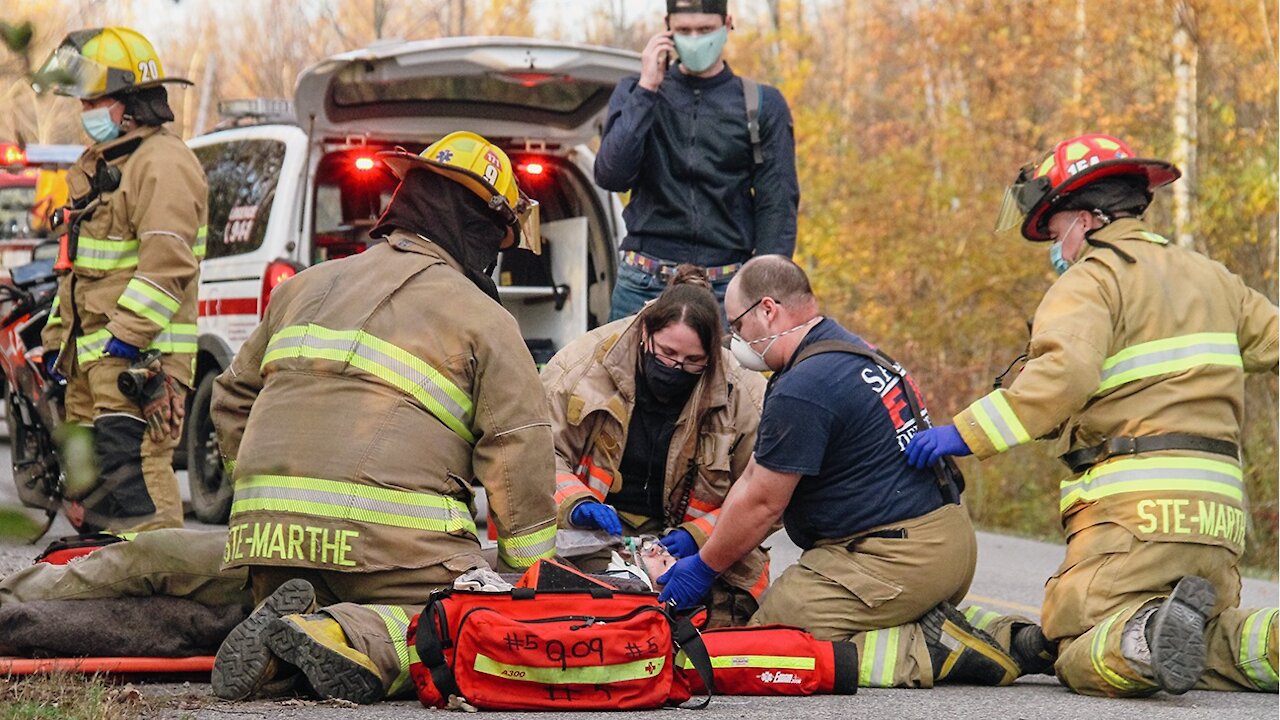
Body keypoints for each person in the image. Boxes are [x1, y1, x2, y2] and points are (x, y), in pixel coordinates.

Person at [905, 133, 1279, 697]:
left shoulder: (1090, 280)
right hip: (1221, 520)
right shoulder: (1214, 277)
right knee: (1212, 634)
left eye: (1055, 232)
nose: (1057, 248)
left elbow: (1063, 379)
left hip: (1135, 518)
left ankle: (1144, 635)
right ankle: (1271, 644)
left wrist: (963, 433)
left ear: (1085, 219)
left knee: (1078, 647)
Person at [209, 131, 559, 704]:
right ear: (478, 228)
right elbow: (518, 449)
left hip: (265, 548)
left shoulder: (301, 287)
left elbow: (230, 401)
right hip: (390, 557)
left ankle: (284, 648)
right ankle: (341, 633)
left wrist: (258, 497)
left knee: (307, 595)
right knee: (471, 623)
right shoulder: (485, 319)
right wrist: (529, 585)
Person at [657, 255, 1031, 688]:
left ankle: (933, 650)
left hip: (896, 557)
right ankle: (1004, 634)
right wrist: (700, 536)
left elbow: (762, 502)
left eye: (738, 326)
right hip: (943, 544)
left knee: (769, 644)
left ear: (767, 309)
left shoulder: (805, 385)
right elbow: (756, 482)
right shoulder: (851, 352)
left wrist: (704, 566)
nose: (737, 340)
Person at [34, 27, 207, 532]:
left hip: (141, 363)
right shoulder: (102, 165)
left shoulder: (163, 163)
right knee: (98, 490)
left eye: (95, 98)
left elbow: (167, 265)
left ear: (130, 103)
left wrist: (125, 342)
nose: (84, 108)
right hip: (93, 364)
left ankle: (169, 602)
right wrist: (54, 341)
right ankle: (115, 600)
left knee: (137, 484)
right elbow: (75, 270)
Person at [542, 265, 768, 627]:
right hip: (593, 540)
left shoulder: (743, 394)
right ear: (646, 330)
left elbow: (765, 493)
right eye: (666, 354)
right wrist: (575, 503)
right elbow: (538, 455)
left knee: (710, 627)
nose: (676, 368)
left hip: (698, 556)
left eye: (693, 362)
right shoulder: (581, 367)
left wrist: (700, 537)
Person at [595, 0, 799, 320]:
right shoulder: (636, 92)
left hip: (726, 288)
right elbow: (611, 175)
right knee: (617, 371)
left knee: (725, 373)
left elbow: (777, 203)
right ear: (667, 28)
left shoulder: (761, 104)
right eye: (683, 30)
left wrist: (765, 289)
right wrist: (648, 88)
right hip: (643, 283)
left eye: (705, 30)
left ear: (727, 23)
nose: (694, 38)